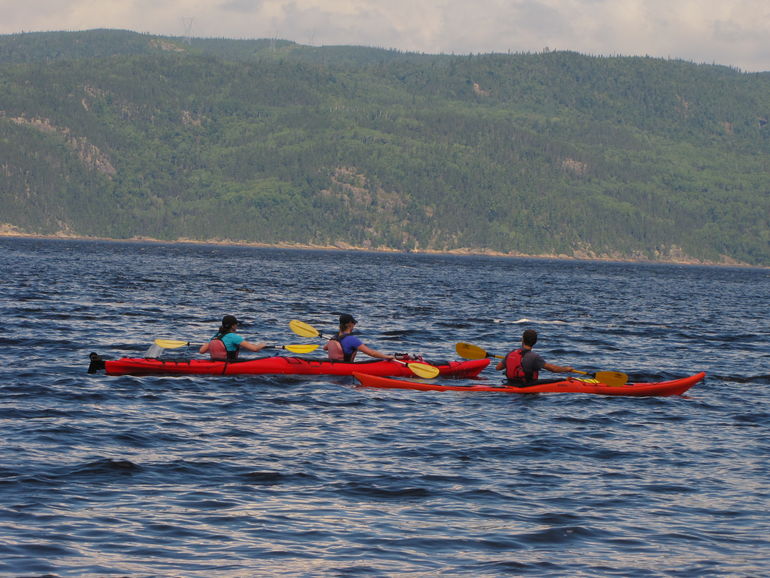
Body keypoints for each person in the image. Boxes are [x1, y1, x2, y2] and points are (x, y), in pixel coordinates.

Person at [496, 329, 574, 383]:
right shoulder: (534, 357)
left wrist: (509, 360)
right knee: (560, 380)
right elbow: (553, 369)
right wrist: (566, 369)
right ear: (535, 342)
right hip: (527, 386)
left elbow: (498, 368)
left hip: (510, 383)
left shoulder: (511, 353)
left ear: (522, 340)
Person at [324, 313, 394, 362]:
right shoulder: (352, 339)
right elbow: (372, 353)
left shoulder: (334, 337)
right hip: (346, 369)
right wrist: (387, 357)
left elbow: (325, 348)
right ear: (350, 324)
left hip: (334, 365)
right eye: (354, 323)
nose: (354, 325)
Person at [199, 315, 267, 361]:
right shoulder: (234, 337)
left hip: (215, 363)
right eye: (236, 324)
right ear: (233, 326)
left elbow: (201, 351)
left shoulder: (216, 336)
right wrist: (262, 345)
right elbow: (255, 349)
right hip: (230, 364)